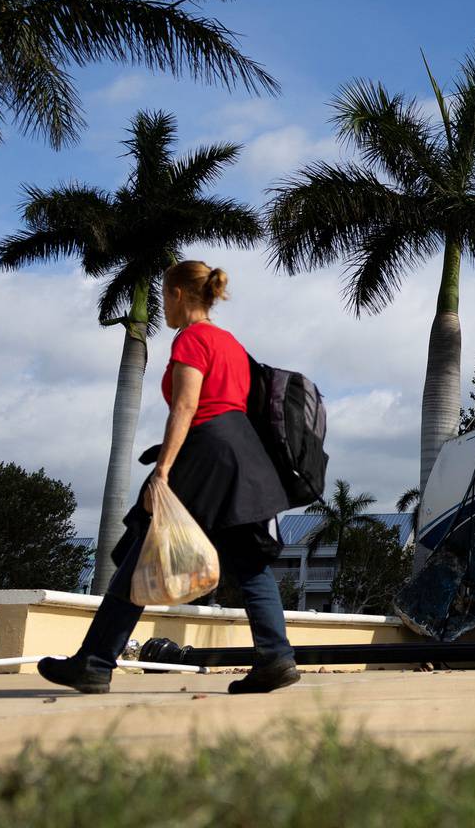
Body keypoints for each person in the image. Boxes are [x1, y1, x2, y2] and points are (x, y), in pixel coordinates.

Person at [39, 261, 299, 694]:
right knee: (250, 563)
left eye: (164, 296)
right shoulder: (230, 342)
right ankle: (276, 659)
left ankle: (94, 662)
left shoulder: (192, 339)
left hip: (207, 453)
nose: (163, 307)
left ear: (179, 293)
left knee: (144, 548)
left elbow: (186, 406)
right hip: (243, 456)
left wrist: (162, 472)